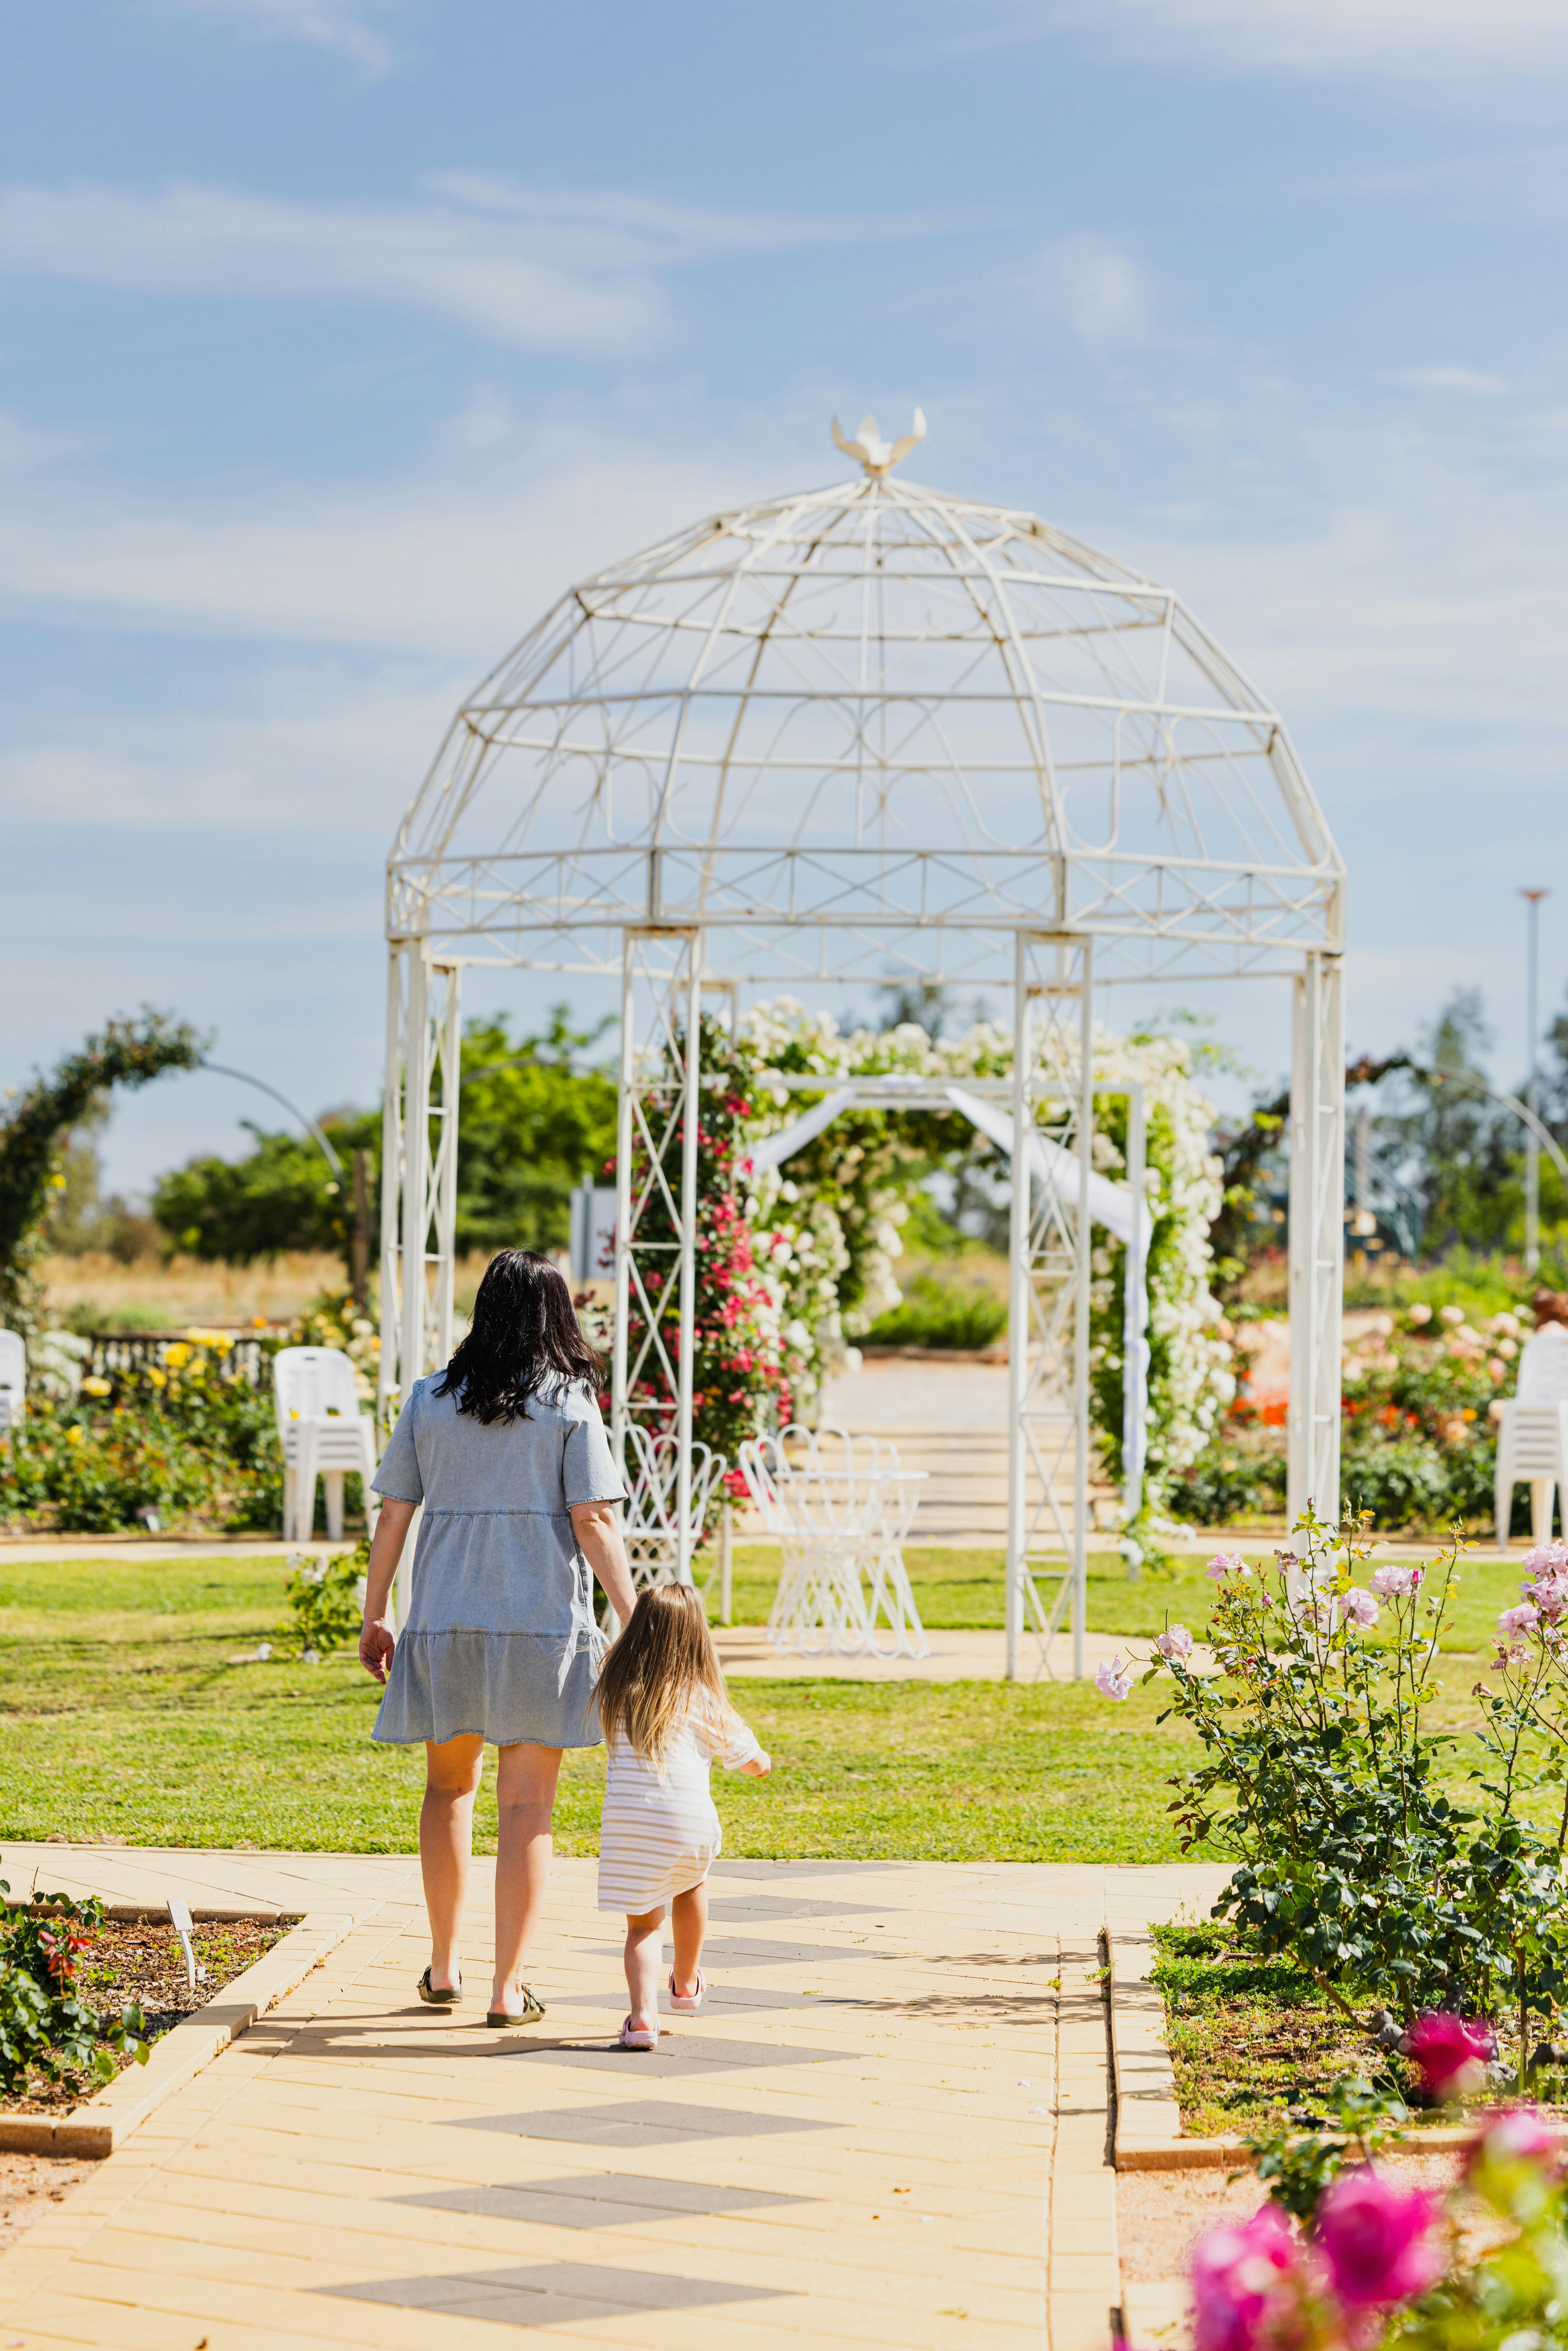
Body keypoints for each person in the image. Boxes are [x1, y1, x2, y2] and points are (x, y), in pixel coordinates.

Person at [358, 1248, 637, 2028]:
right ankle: (505, 1989)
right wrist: (633, 1617)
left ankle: (444, 1968)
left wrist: (376, 1611)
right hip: (541, 1627)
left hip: (445, 1621)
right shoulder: (571, 1404)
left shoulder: (428, 1400)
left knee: (448, 1791)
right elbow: (595, 1521)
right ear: (556, 1315)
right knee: (527, 1808)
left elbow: (392, 1516)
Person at [593, 1584, 771, 2050]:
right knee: (691, 1884)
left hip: (629, 1826)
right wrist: (763, 1762)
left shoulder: (616, 1690)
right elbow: (752, 1761)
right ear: (697, 1638)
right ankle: (687, 1982)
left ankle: (642, 2019)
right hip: (687, 1826)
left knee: (643, 1927)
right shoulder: (703, 1699)